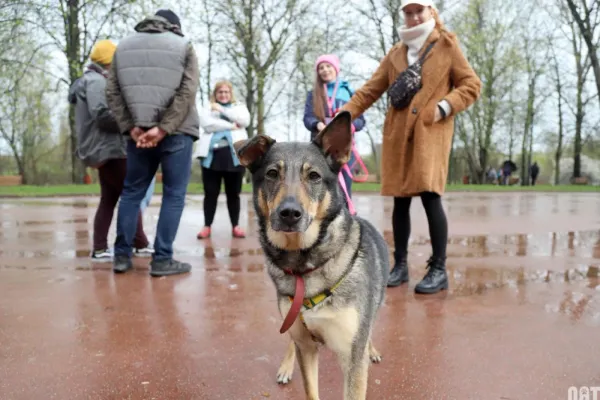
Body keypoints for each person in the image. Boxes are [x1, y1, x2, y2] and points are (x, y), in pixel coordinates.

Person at [340, 0, 482, 294]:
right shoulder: (396, 53)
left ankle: (439, 269)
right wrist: (342, 117)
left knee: (431, 197)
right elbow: (369, 91)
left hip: (430, 134)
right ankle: (400, 265)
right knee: (400, 201)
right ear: (403, 15)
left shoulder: (446, 45)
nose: (414, 16)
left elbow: (471, 85)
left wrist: (442, 108)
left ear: (431, 11)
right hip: (398, 135)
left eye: (420, 10)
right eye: (408, 11)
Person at [106, 9, 200, 277]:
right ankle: (162, 259)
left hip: (139, 135)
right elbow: (187, 91)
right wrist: (163, 128)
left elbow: (112, 91)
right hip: (178, 131)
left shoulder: (123, 46)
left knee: (132, 192)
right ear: (174, 26)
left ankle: (121, 257)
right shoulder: (184, 46)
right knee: (173, 194)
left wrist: (131, 126)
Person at [68, 39, 153, 262]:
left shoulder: (92, 80)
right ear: (109, 61)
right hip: (110, 148)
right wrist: (132, 122)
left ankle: (100, 248)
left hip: (103, 148)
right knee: (131, 194)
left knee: (109, 198)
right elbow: (102, 114)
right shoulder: (96, 82)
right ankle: (140, 243)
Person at [303, 54, 366, 201]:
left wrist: (348, 126)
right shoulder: (313, 94)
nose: (325, 70)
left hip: (343, 146)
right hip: (320, 145)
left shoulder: (349, 93)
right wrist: (318, 125)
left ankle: (345, 217)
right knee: (320, 182)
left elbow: (361, 121)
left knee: (344, 186)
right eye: (321, 68)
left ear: (336, 68)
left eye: (328, 66)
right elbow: (307, 118)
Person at [193, 80, 250, 239]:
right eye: (220, 92)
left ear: (230, 94)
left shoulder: (239, 108)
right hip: (211, 158)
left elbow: (245, 121)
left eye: (226, 92)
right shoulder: (207, 108)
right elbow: (206, 124)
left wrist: (222, 111)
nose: (223, 95)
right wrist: (231, 125)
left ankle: (236, 226)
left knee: (234, 194)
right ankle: (207, 226)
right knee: (210, 193)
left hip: (234, 158)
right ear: (215, 94)